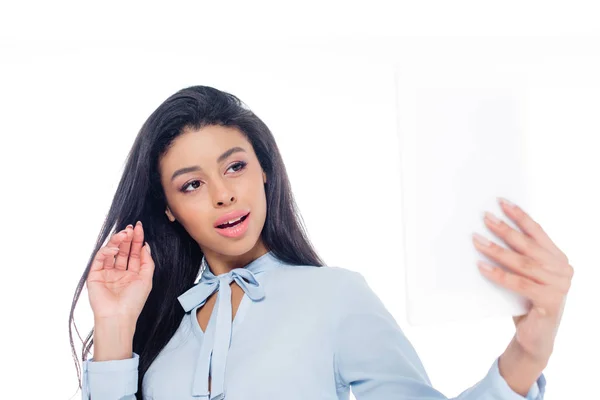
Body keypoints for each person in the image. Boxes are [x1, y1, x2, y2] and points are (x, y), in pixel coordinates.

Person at [69, 85, 572, 399]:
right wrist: (115, 324)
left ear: (264, 170)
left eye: (235, 167)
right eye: (192, 184)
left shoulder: (335, 297)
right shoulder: (164, 331)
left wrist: (527, 353)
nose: (223, 194)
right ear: (168, 209)